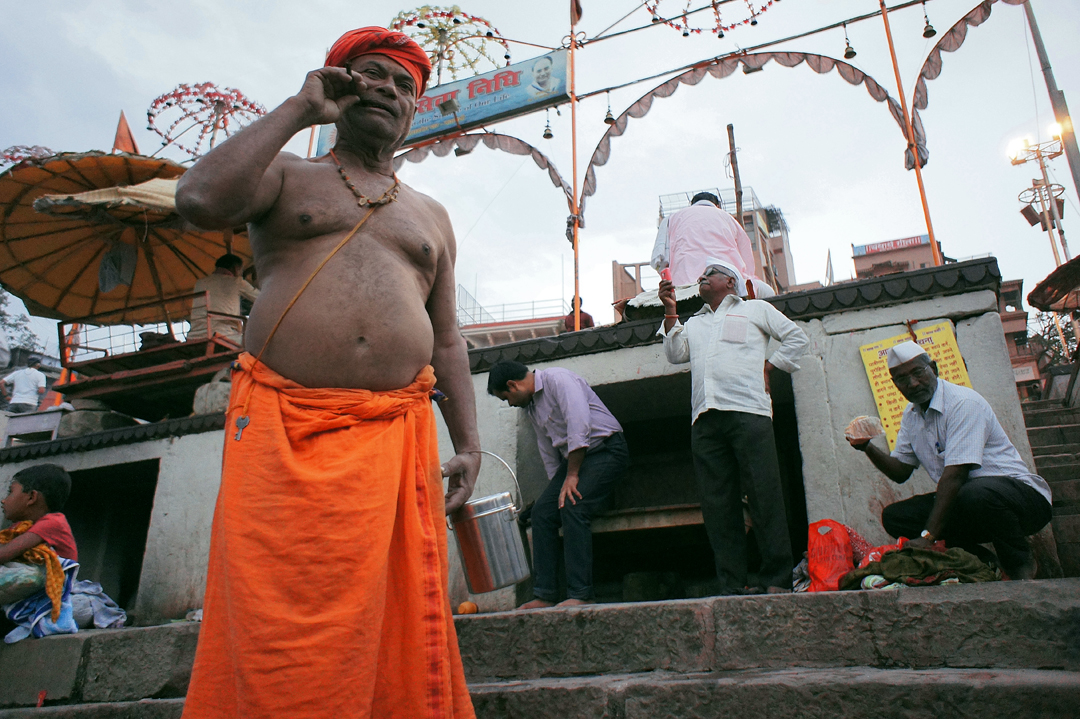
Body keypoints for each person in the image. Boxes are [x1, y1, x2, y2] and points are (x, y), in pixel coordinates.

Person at [175, 26, 480, 719]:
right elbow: (196, 200)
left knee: (391, 619)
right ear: (336, 81)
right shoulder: (287, 174)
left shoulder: (432, 216)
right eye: (372, 74)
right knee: (272, 619)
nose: (388, 90)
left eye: (404, 85)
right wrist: (297, 110)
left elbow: (451, 342)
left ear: (414, 111)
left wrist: (467, 442)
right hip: (283, 432)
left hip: (393, 439)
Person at [658, 258, 808, 594]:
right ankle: (732, 584)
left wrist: (771, 366)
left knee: (764, 496)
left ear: (730, 281)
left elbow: (797, 339)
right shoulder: (694, 323)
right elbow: (675, 354)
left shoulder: (754, 310)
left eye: (709, 273)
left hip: (749, 412)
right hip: (705, 418)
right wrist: (670, 311)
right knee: (718, 504)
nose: (702, 277)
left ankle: (777, 580)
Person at [847, 340, 1052, 580]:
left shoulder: (963, 404)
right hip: (970, 501)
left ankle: (1020, 565)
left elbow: (955, 476)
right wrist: (867, 447)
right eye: (902, 379)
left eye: (918, 373)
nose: (913, 383)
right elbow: (900, 472)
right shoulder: (912, 416)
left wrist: (927, 537)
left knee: (972, 492)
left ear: (933, 368)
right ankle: (979, 561)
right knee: (896, 516)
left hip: (1022, 502)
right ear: (895, 385)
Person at [487, 360, 629, 609]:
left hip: (606, 451)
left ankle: (582, 594)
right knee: (542, 512)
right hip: (575, 462)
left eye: (505, 397)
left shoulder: (558, 380)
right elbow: (549, 451)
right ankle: (545, 594)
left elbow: (579, 427)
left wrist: (572, 476)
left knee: (572, 505)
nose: (509, 403)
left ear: (513, 384)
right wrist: (557, 488)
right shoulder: (530, 407)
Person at [650, 192, 775, 299]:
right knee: (768, 292)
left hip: (684, 286)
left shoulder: (672, 219)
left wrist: (671, 279)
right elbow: (746, 258)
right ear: (718, 206)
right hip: (728, 282)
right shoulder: (729, 218)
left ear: (691, 204)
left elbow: (659, 259)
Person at [1, 464, 77, 606]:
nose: (3, 500)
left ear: (32, 497)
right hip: (28, 597)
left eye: (10, 492)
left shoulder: (53, 522)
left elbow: (3, 554)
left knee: (27, 576)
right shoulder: (20, 527)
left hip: (57, 596)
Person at [186, 253, 259, 346]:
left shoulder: (200, 283)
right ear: (236, 268)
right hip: (224, 335)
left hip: (194, 336)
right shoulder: (237, 282)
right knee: (258, 344)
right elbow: (261, 298)